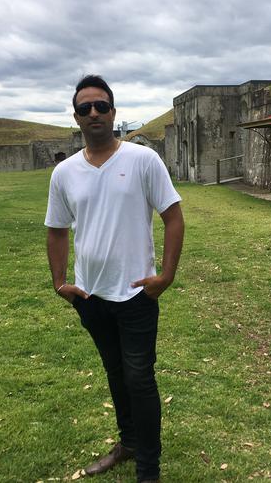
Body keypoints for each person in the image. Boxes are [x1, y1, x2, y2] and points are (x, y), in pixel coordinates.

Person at [45, 75, 184, 483]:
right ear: (76, 117)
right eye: (85, 108)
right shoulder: (65, 172)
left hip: (137, 293)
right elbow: (57, 229)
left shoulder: (142, 160)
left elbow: (173, 216)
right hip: (90, 296)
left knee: (139, 377)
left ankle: (148, 470)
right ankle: (129, 442)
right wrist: (60, 283)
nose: (94, 113)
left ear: (113, 112)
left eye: (101, 106)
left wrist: (166, 276)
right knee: (115, 372)